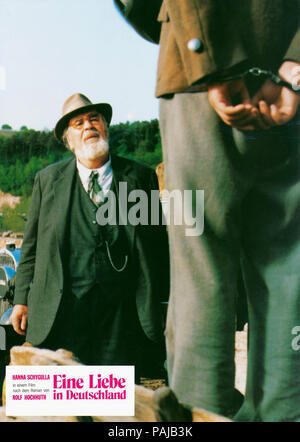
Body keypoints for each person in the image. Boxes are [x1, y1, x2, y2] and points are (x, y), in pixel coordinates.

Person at [114, 0, 300, 421]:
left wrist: (208, 58)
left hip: (197, 71)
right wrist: (296, 63)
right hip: (290, 76)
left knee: (201, 274)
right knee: (291, 274)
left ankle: (199, 415)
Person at [10, 93, 169, 383]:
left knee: (117, 402)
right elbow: (31, 247)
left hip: (122, 317)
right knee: (64, 399)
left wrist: (162, 303)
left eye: (94, 119)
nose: (88, 126)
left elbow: (158, 249)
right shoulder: (47, 181)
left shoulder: (141, 178)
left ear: (106, 127)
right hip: (64, 312)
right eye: (78, 123)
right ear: (69, 140)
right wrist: (21, 299)